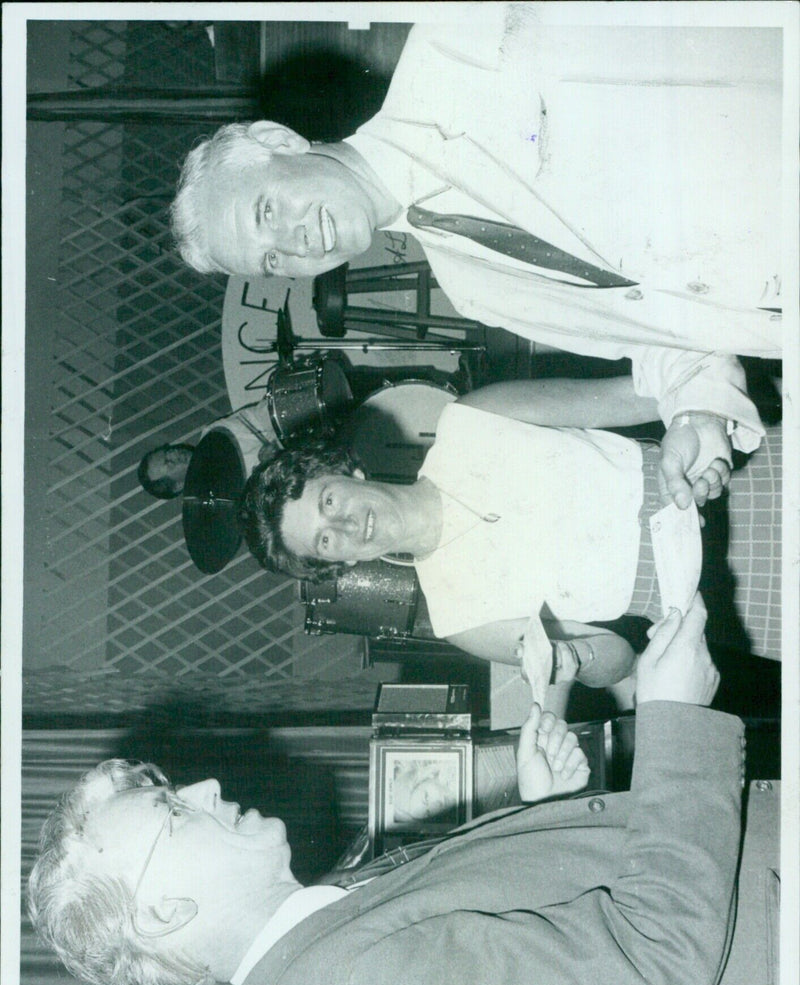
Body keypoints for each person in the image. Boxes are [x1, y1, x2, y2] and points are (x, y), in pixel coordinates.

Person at [26, 596, 780, 985]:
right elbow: (657, 962)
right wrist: (679, 719)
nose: (205, 789)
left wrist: (540, 810)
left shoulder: (328, 929)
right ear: (164, 915)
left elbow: (546, 956)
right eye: (172, 810)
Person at [169, 5, 783, 512]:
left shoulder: (463, 40)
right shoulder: (477, 292)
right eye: (272, 262)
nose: (294, 244)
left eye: (267, 213)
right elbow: (662, 320)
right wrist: (699, 406)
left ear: (281, 142)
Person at [238, 377, 782, 681]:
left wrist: (698, 426)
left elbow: (635, 393)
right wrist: (569, 661)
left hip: (730, 472)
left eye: (329, 500)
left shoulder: (472, 419)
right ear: (341, 564)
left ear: (347, 470)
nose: (346, 523)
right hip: (733, 600)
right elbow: (615, 660)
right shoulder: (460, 620)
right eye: (326, 540)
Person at [137, 398, 280, 500]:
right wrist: (265, 467)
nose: (175, 453)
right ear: (178, 486)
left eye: (168, 451)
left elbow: (260, 415)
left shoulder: (213, 433)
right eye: (169, 462)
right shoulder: (222, 499)